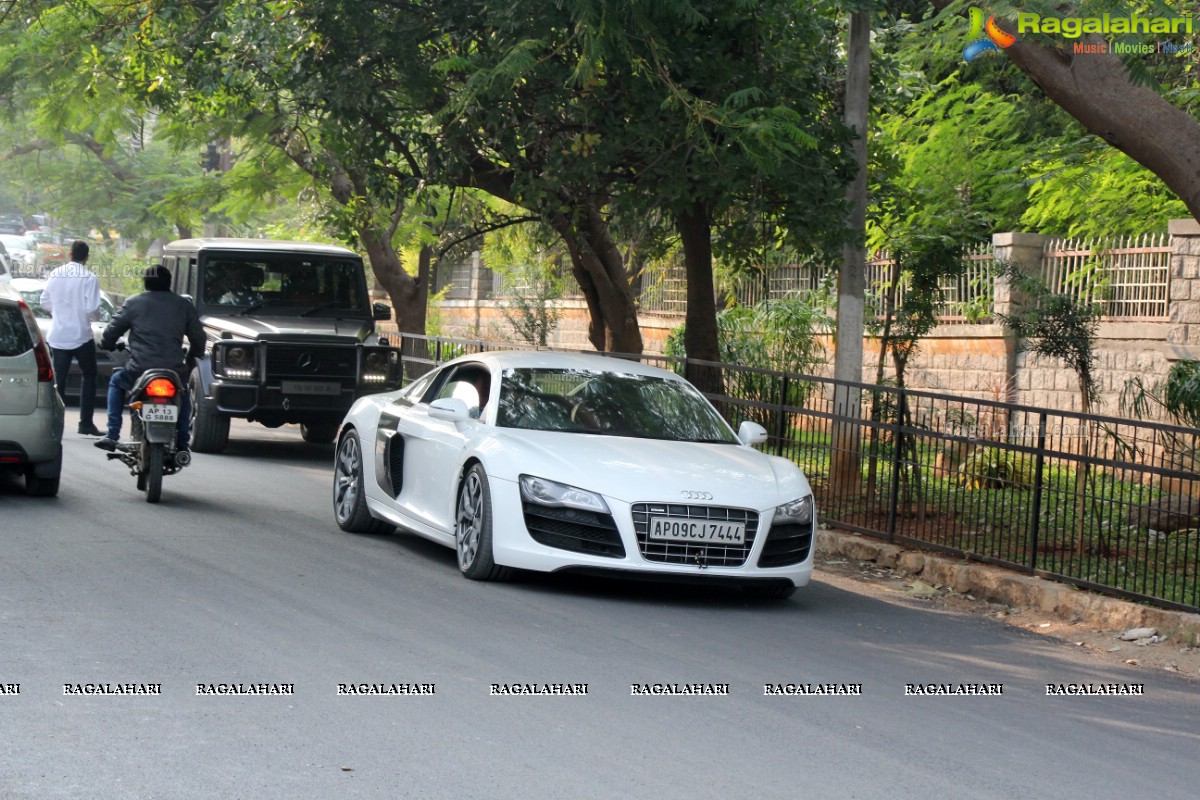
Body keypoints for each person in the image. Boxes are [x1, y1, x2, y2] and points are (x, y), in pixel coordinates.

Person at [95, 265, 205, 453]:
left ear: (145, 282)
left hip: (139, 369)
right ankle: (182, 443)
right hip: (173, 370)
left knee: (116, 381)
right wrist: (194, 354)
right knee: (183, 392)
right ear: (169, 283)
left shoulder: (133, 303)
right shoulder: (184, 305)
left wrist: (107, 343)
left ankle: (113, 434)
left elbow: (112, 331)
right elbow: (198, 338)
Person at [39, 240, 102, 436]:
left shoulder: (55, 274)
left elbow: (44, 302)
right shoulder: (89, 278)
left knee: (60, 381)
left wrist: (60, 312)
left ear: (69, 254)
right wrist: (90, 317)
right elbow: (92, 309)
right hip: (81, 335)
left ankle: (56, 425)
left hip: (58, 336)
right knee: (89, 375)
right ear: (86, 257)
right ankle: (85, 423)